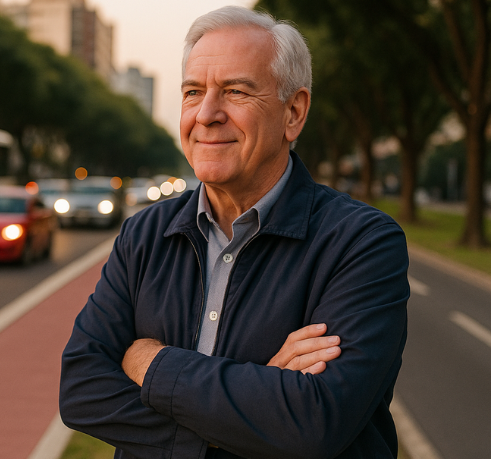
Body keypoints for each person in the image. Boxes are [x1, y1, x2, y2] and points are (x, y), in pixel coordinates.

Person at [59, 6, 409, 459]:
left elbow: (314, 422)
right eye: (192, 92)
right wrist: (257, 405)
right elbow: (82, 390)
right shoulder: (143, 234)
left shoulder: (363, 243)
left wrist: (150, 362)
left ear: (294, 113)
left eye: (235, 91)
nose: (206, 114)